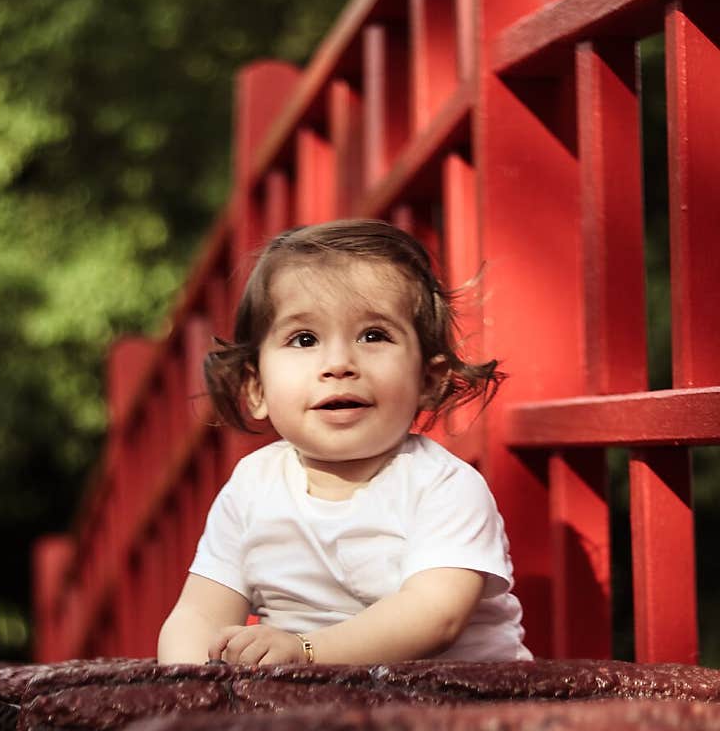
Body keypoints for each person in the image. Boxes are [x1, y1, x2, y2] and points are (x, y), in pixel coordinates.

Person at [158, 219, 531, 666]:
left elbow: (435, 616)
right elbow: (200, 611)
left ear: (428, 380)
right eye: (304, 339)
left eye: (373, 336)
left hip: (461, 704)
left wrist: (307, 650)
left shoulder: (444, 486)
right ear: (256, 388)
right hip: (320, 706)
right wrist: (189, 686)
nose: (338, 363)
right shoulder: (253, 486)